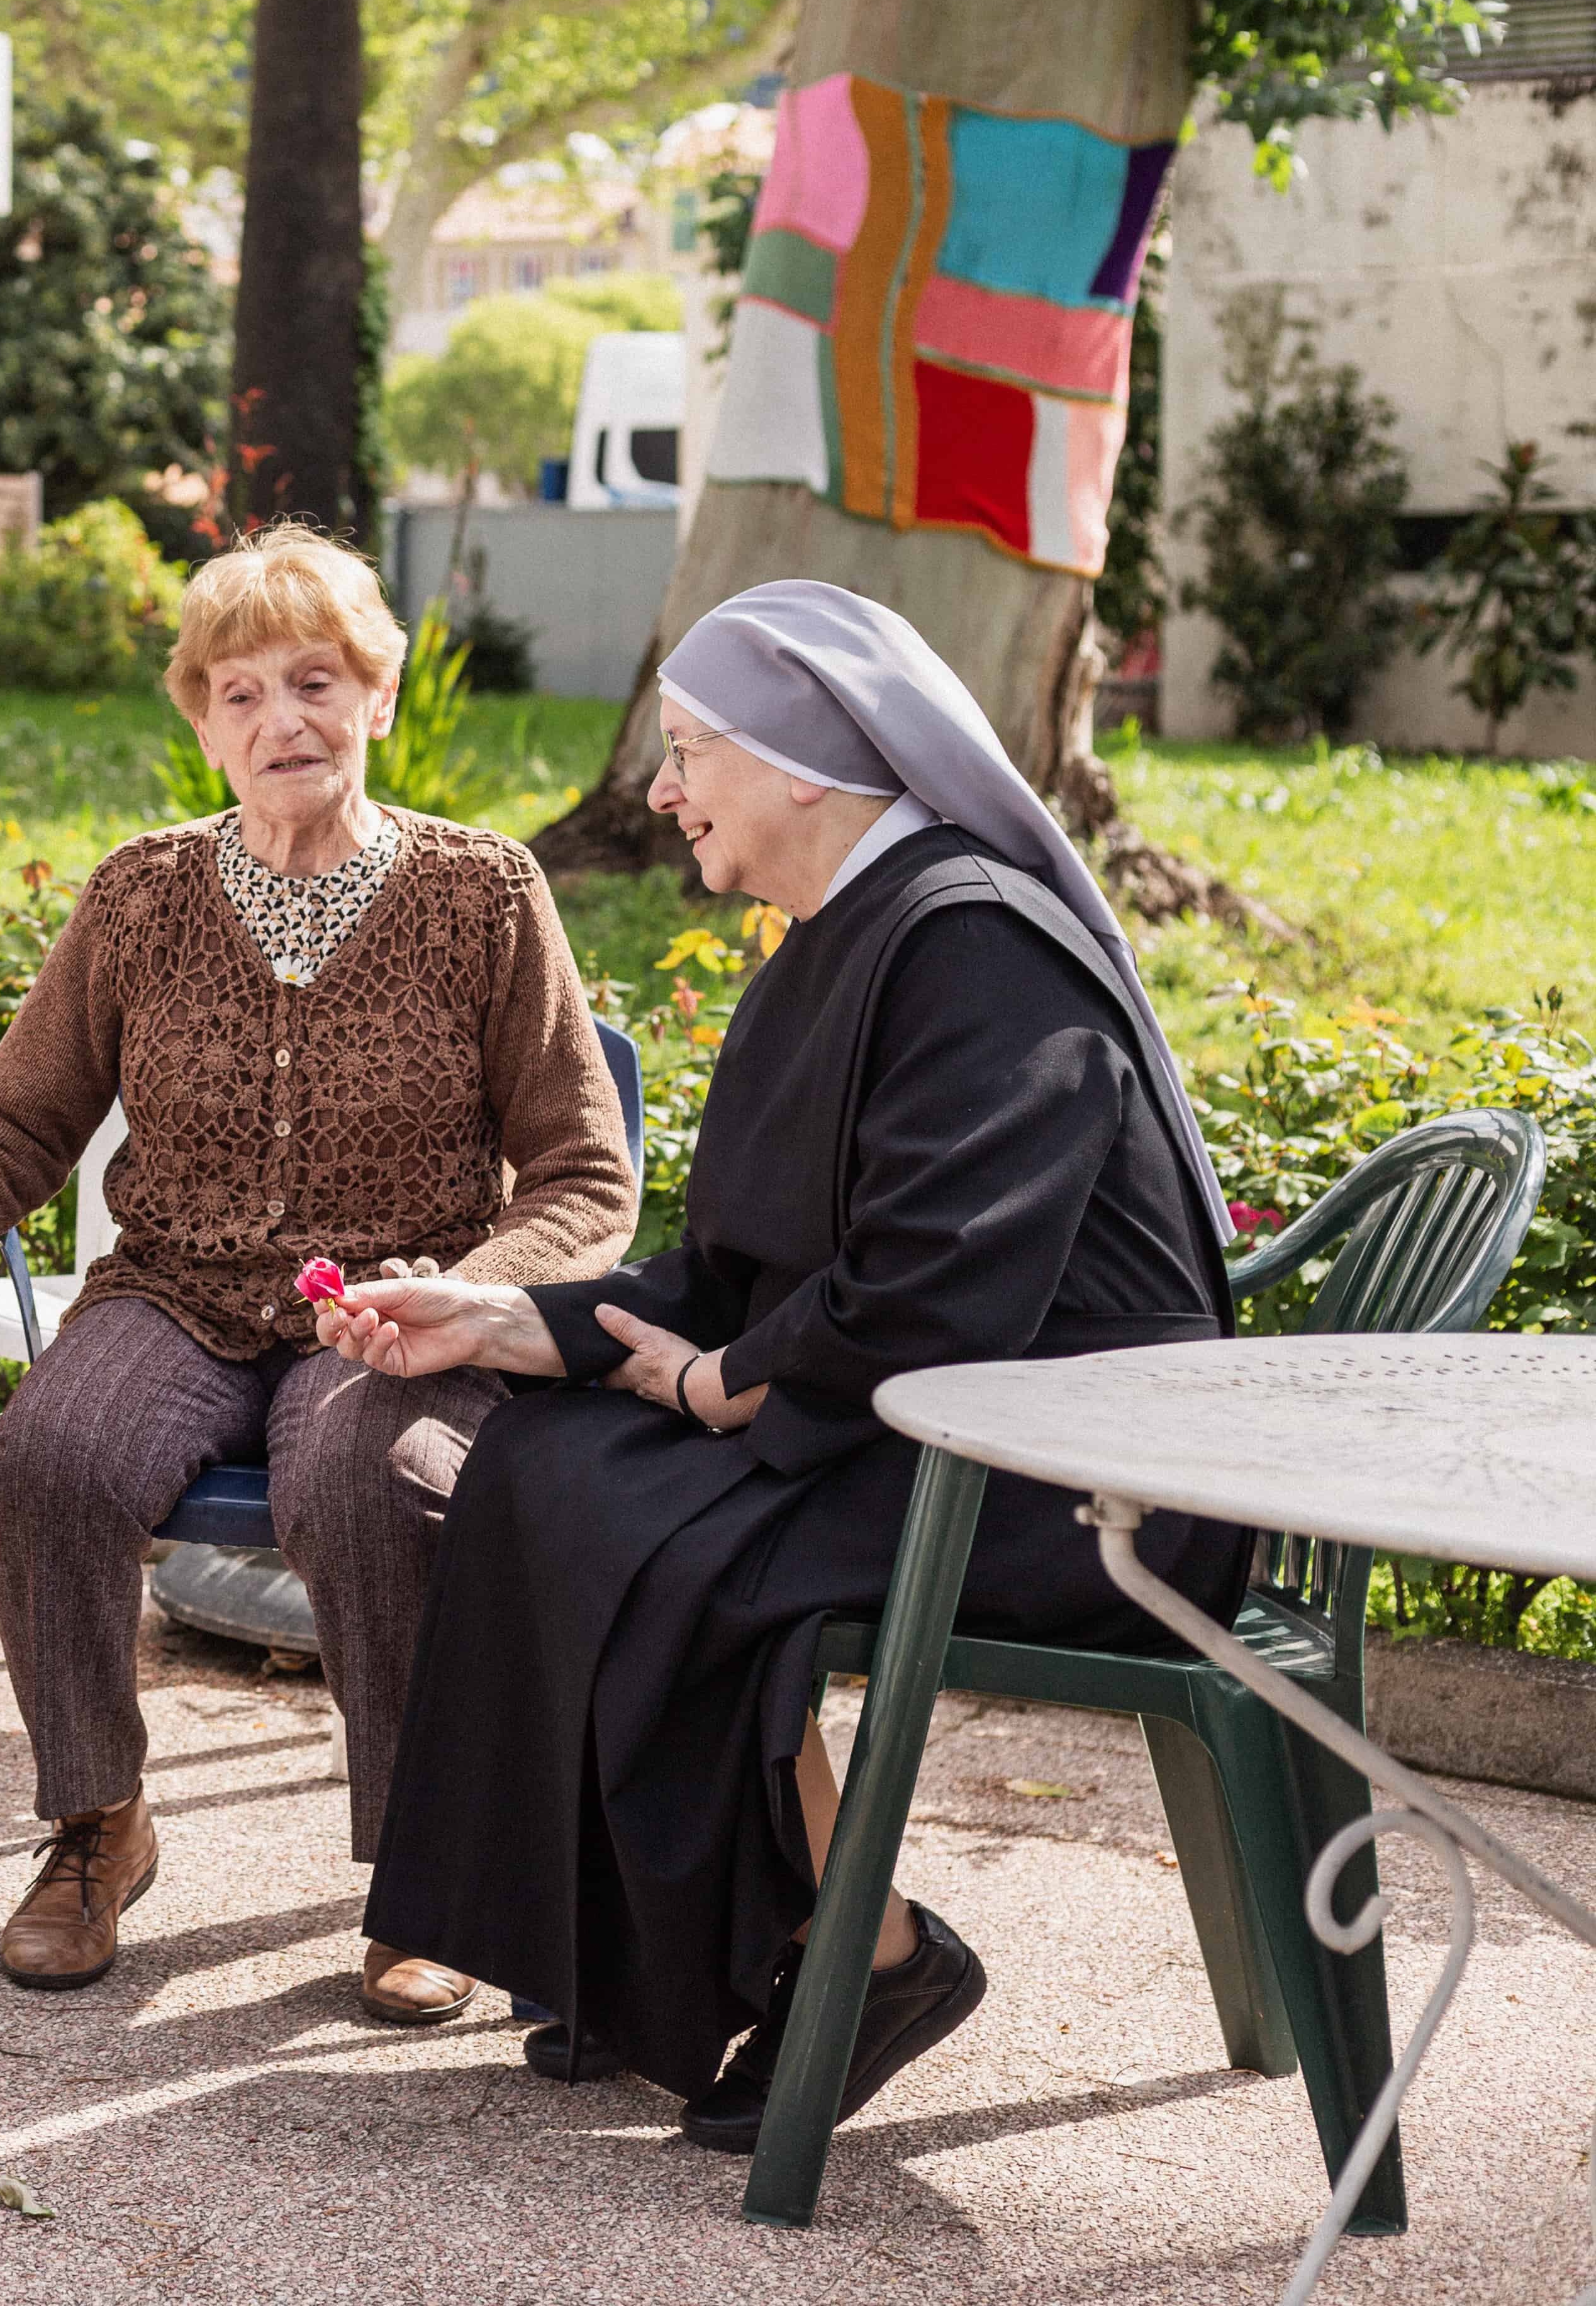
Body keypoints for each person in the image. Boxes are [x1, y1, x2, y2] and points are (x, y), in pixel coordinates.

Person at [322, 578, 1248, 2152]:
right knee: (542, 1469)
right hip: (935, 1421)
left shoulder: (977, 948)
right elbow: (742, 1272)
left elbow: (936, 1286)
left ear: (807, 765)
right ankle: (642, 1961)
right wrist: (498, 1324)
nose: (664, 788)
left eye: (691, 752)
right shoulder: (838, 939)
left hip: (1086, 1471)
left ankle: (871, 1959)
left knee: (656, 1531)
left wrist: (707, 1388)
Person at [0, 525, 635, 2020]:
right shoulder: (143, 895)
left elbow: (583, 1172)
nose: (280, 723)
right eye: (239, 694)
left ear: (378, 696)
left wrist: (471, 1295)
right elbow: (22, 1117)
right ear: (202, 723)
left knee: (372, 1484)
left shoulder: (485, 894)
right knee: (46, 1461)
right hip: (173, 1289)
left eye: (314, 682)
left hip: (387, 1314)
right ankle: (96, 1828)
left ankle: (422, 1874)